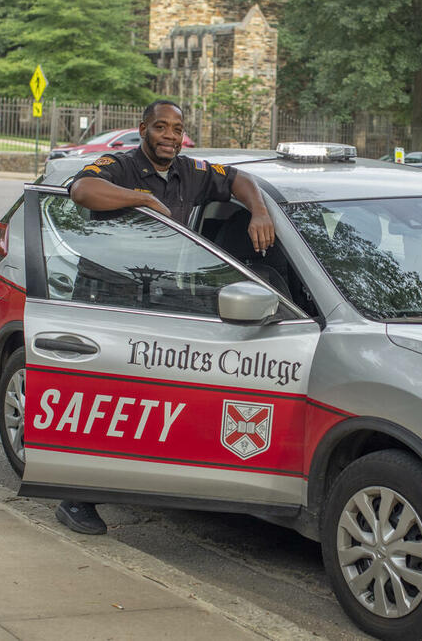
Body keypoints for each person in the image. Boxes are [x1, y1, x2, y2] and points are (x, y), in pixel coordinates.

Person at [54, 99, 275, 535]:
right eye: (161, 127)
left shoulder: (191, 173)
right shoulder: (117, 165)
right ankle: (75, 497)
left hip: (161, 298)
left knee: (153, 398)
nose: (170, 136)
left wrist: (261, 210)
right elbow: (81, 191)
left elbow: (240, 180)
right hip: (108, 295)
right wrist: (139, 198)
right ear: (143, 130)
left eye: (177, 128)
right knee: (101, 399)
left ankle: (153, 478)